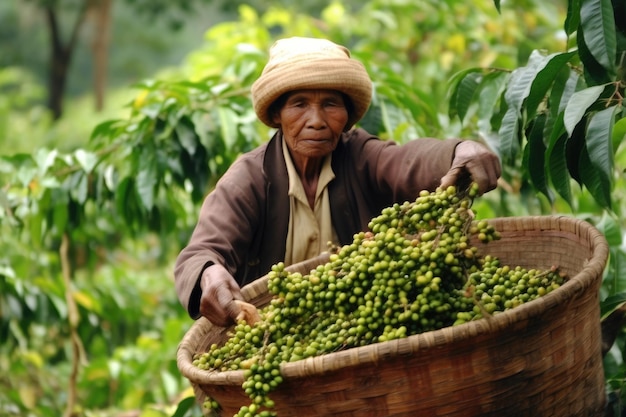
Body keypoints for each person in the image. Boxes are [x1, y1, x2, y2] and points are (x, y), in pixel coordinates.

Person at [174, 37, 501, 327]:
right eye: (299, 104)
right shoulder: (249, 179)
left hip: (362, 329)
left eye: (330, 104)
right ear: (277, 115)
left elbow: (406, 161)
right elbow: (201, 252)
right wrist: (208, 273)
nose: (316, 121)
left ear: (347, 115)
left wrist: (458, 151)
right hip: (273, 335)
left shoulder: (361, 156)